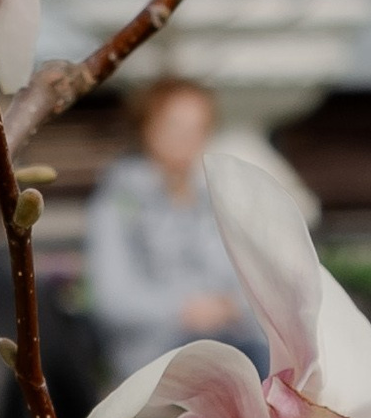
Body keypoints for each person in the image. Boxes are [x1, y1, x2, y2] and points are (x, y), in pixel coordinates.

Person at [85, 76, 268, 387]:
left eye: (198, 128)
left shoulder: (220, 197)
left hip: (234, 347)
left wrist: (229, 306)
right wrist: (183, 310)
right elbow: (111, 298)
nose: (187, 138)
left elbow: (257, 281)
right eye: (175, 126)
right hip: (153, 358)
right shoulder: (118, 201)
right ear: (147, 128)